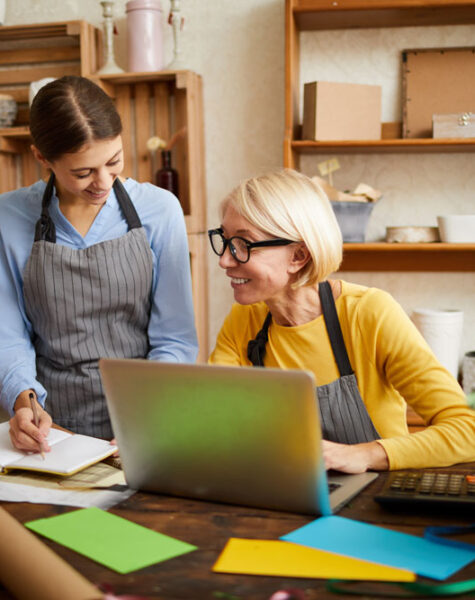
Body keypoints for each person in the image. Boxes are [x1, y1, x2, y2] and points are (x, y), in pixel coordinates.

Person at [208, 169, 475, 473]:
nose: (225, 260)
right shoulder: (245, 319)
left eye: (243, 244)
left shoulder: (370, 313)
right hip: (282, 490)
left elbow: (468, 430)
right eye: (226, 240)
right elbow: (217, 417)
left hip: (374, 498)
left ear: (299, 256)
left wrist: (364, 455)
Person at [0, 76, 198, 453]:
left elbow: (174, 338)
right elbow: (8, 335)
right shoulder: (7, 217)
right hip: (51, 430)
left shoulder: (160, 209)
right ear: (42, 157)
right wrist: (23, 402)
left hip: (145, 419)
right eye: (83, 172)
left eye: (114, 162)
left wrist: (145, 416)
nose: (103, 182)